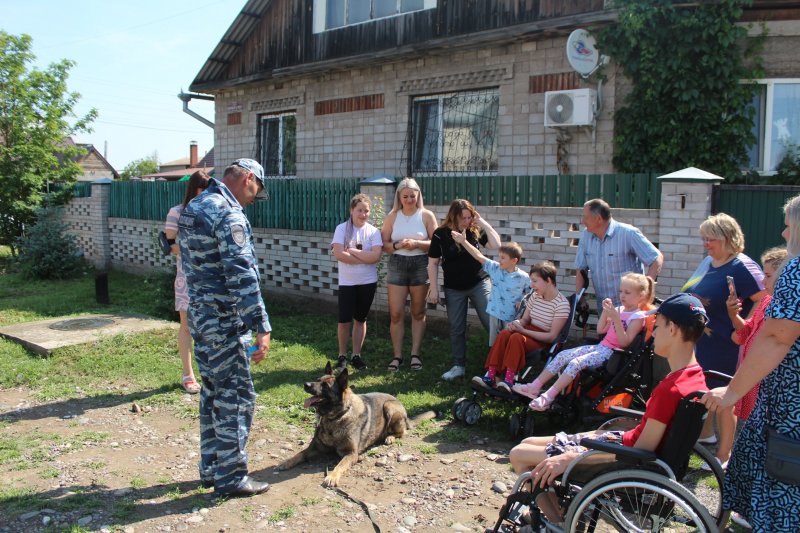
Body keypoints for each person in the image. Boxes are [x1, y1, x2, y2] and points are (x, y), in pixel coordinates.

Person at [509, 293, 708, 523]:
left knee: (519, 455)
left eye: (658, 326)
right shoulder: (694, 377)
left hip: (625, 460)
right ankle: (569, 511)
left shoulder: (671, 389)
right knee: (529, 442)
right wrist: (591, 439)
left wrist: (572, 456)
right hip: (621, 445)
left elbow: (642, 452)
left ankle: (561, 521)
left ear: (673, 329)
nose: (652, 333)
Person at [702, 195, 800, 532]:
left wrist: (732, 391)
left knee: (781, 496)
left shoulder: (796, 272)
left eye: (789, 227)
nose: (785, 235)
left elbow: (775, 338)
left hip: (790, 409)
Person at [177, 158, 272, 497]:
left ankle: (212, 467)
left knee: (213, 392)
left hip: (201, 317)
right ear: (247, 178)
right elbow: (241, 274)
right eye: (255, 189)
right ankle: (231, 477)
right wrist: (261, 324)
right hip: (225, 320)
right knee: (235, 395)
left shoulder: (194, 207)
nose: (253, 197)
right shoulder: (228, 213)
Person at [682, 213, 765, 466]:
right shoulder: (709, 262)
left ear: (729, 239)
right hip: (706, 340)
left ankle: (723, 456)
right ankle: (707, 436)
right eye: (704, 239)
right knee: (707, 391)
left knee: (725, 400)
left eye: (711, 239)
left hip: (728, 345)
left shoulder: (742, 266)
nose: (706, 244)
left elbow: (764, 299)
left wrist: (745, 328)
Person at [518, 273, 654, 412]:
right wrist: (606, 313)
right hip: (601, 347)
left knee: (575, 363)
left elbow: (624, 342)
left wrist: (616, 319)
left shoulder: (637, 317)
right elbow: (601, 330)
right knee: (563, 355)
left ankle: (548, 396)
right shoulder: (619, 310)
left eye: (627, 292)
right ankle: (534, 387)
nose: (622, 296)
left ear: (641, 296)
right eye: (620, 291)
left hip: (612, 355)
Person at [428, 199, 501, 381]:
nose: (467, 221)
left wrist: (482, 222)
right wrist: (434, 289)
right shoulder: (440, 234)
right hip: (454, 288)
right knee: (456, 327)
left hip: (479, 283)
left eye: (470, 217)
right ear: (453, 216)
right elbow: (433, 263)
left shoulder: (473, 231)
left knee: (491, 321)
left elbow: (496, 244)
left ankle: (498, 366)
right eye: (463, 218)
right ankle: (458, 365)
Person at [471, 261, 570, 393]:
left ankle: (509, 380)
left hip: (542, 340)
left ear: (548, 281)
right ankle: (491, 375)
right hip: (528, 332)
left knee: (517, 337)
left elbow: (551, 337)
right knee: (505, 334)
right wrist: (517, 323)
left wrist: (523, 331)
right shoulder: (535, 296)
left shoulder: (562, 304)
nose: (531, 285)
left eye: (535, 281)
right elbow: (525, 319)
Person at [381, 178, 437, 372]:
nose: (409, 199)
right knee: (396, 313)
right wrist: (397, 245)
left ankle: (415, 354)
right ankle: (397, 356)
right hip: (398, 264)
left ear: (418, 195)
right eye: (405, 196)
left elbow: (436, 243)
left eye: (412, 196)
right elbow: (384, 244)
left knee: (418, 312)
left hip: (420, 264)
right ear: (399, 197)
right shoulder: (392, 216)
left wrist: (417, 244)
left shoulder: (427, 215)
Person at [164, 170, 210, 394]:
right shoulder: (177, 212)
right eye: (203, 189)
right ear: (194, 189)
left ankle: (210, 373)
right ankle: (188, 373)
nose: (206, 194)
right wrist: (192, 252)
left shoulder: (212, 212)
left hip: (210, 278)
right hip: (187, 277)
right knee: (187, 325)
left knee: (210, 326)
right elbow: (168, 244)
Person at [575, 199, 663, 310]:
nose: (583, 221)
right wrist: (579, 298)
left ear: (599, 219)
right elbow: (580, 269)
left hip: (630, 310)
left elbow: (656, 258)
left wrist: (646, 290)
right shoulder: (586, 236)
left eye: (586, 217)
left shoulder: (628, 233)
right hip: (604, 309)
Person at [331, 193, 383, 371]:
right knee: (344, 320)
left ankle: (356, 355)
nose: (363, 214)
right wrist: (364, 258)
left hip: (367, 282)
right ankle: (342, 355)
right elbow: (338, 254)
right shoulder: (341, 229)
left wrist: (352, 251)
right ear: (352, 210)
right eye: (360, 210)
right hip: (347, 282)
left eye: (367, 211)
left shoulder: (374, 232)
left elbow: (376, 256)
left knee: (360, 319)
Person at [450, 232, 530, 345]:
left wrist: (522, 301)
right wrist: (464, 241)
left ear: (514, 261)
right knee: (495, 344)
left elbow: (531, 294)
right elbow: (478, 256)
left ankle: (508, 362)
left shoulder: (524, 277)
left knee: (509, 343)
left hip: (512, 317)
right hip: (495, 314)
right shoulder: (495, 268)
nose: (499, 260)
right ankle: (494, 362)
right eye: (499, 257)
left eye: (503, 258)